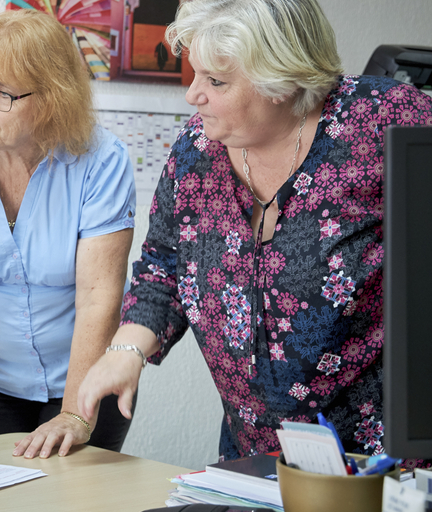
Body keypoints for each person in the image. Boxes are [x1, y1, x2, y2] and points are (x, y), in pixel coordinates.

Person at [78, 0, 432, 467]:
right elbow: (165, 265)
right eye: (195, 73)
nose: (192, 95)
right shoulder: (197, 149)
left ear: (282, 82)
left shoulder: (384, 121)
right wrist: (127, 350)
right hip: (253, 458)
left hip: (384, 463)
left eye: (216, 81)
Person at [0, 9, 137, 461]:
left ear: (53, 97)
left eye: (1, 94)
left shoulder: (101, 162)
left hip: (87, 380)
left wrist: (76, 413)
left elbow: (99, 299)